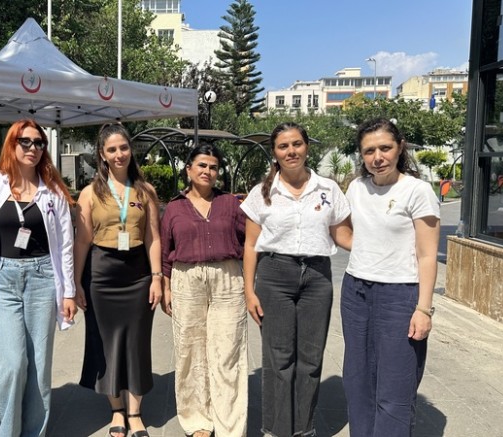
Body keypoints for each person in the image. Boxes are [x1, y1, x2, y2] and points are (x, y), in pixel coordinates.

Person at [240, 122, 352, 437]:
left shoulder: (328, 189)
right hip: (275, 276)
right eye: (283, 146)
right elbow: (250, 246)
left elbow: (342, 234)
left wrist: (380, 246)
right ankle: (275, 430)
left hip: (317, 277)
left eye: (297, 144)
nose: (291, 151)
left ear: (306, 147)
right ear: (275, 153)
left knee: (311, 358)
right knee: (278, 359)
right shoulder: (262, 193)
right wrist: (249, 291)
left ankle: (304, 429)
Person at [341, 118, 440, 437]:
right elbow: (343, 230)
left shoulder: (417, 191)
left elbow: (427, 255)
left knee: (395, 388)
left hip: (400, 296)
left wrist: (423, 309)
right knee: (357, 381)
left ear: (400, 148)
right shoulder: (356, 187)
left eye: (385, 148)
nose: (377, 157)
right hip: (355, 292)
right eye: (369, 150)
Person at [0, 119, 77, 437]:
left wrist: (68, 293)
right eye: (26, 141)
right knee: (8, 365)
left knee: (38, 366)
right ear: (12, 143)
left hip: (42, 278)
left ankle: (35, 431)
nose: (33, 148)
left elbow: (65, 244)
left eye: (39, 143)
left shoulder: (53, 191)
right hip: (3, 278)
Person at [74, 123, 162, 437]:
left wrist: (157, 277)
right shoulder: (89, 193)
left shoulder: (145, 191)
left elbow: (153, 238)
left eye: (123, 148)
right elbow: (83, 241)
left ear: (130, 150)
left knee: (137, 343)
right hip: (101, 275)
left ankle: (136, 412)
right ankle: (117, 410)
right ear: (102, 154)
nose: (119, 154)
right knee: (107, 343)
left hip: (138, 274)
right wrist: (75, 283)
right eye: (111, 149)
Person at [159, 144, 248, 437]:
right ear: (189, 169)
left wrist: (250, 283)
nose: (207, 171)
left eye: (212, 166)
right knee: (189, 352)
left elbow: (249, 242)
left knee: (228, 352)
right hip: (187, 279)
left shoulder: (231, 204)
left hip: (227, 279)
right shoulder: (174, 207)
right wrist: (166, 285)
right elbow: (165, 249)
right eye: (201, 165)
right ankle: (197, 419)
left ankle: (229, 424)